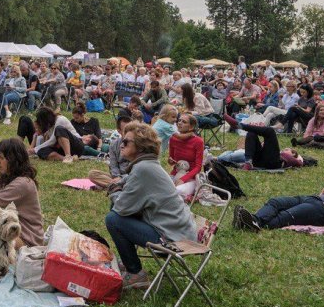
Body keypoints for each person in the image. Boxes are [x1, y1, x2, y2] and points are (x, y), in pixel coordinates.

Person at [105, 121, 197, 289]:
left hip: (172, 238)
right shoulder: (146, 166)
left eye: (126, 142)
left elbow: (121, 207)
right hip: (179, 230)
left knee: (113, 218)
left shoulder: (143, 169)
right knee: (118, 214)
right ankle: (129, 262)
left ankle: (135, 273)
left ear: (140, 147)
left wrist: (114, 191)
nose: (121, 144)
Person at [217, 118, 305, 170]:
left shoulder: (290, 158)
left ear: (293, 154)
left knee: (270, 131)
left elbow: (300, 163)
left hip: (272, 164)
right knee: (251, 133)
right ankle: (248, 162)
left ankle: (241, 126)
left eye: (287, 149)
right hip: (258, 161)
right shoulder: (278, 153)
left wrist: (299, 158)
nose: (284, 149)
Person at [166, 113, 204, 198]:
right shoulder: (173, 139)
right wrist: (170, 161)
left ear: (191, 127)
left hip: (192, 177)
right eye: (179, 120)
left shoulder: (198, 141)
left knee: (177, 191)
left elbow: (198, 167)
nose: (179, 123)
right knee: (159, 187)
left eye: (184, 122)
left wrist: (183, 179)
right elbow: (171, 160)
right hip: (176, 174)